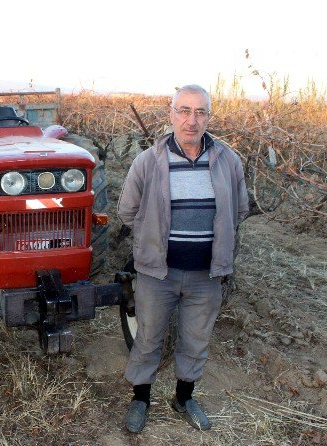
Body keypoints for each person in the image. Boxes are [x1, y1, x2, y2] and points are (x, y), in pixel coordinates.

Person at [117, 84, 249, 432]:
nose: (192, 120)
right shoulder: (148, 161)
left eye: (200, 111)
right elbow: (127, 212)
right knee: (148, 337)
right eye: (185, 111)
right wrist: (156, 239)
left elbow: (239, 209)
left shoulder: (228, 161)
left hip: (206, 273)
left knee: (196, 339)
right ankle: (140, 399)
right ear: (172, 114)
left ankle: (183, 397)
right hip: (158, 273)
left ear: (209, 116)